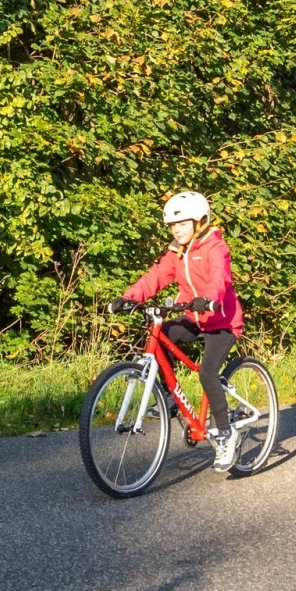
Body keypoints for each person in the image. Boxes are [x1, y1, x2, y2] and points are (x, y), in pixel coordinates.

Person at [108, 191, 247, 471]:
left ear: (200, 222)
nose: (176, 229)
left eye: (182, 223)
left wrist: (208, 298)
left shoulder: (214, 247)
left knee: (208, 373)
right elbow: (155, 277)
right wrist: (129, 298)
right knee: (163, 339)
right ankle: (169, 400)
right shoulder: (176, 252)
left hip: (221, 321)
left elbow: (220, 277)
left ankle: (225, 435)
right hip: (194, 319)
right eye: (173, 225)